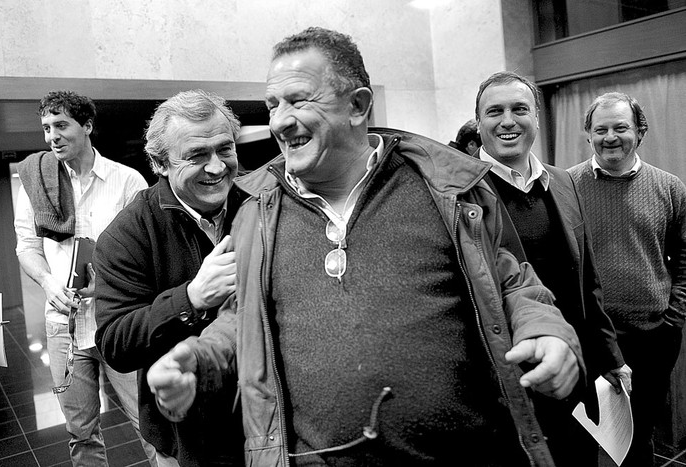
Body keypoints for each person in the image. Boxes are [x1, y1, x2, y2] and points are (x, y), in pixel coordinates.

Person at [147, 27, 585, 466]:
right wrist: (200, 362)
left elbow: (510, 284)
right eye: (272, 105)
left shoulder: (444, 190)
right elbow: (244, 319)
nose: (279, 120)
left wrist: (548, 331)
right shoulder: (255, 214)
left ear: (357, 105)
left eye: (299, 100)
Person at [473, 71, 630, 466]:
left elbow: (587, 279)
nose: (508, 120)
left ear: (537, 120)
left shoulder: (562, 182)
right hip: (502, 379)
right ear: (479, 124)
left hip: (570, 373)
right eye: (495, 111)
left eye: (519, 109)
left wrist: (610, 357)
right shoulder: (458, 191)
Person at [94, 89, 245, 467]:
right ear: (160, 164)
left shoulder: (260, 208)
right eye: (196, 155)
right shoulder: (126, 235)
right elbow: (115, 343)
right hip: (185, 440)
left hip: (262, 425)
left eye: (224, 150)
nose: (216, 167)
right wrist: (191, 299)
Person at [14, 90, 156, 466]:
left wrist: (109, 284)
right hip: (63, 326)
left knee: (150, 426)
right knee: (81, 435)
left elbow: (147, 254)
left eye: (61, 125)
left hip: (119, 319)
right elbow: (26, 246)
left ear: (87, 126)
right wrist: (47, 283)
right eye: (46, 128)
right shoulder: (36, 184)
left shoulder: (127, 182)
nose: (52, 137)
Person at [568, 92, 686, 467]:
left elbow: (684, 257)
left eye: (621, 127)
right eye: (600, 129)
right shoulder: (566, 187)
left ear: (640, 131)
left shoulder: (670, 188)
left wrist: (674, 317)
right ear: (588, 135)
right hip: (588, 336)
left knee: (639, 436)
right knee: (583, 437)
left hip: (653, 335)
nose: (610, 137)